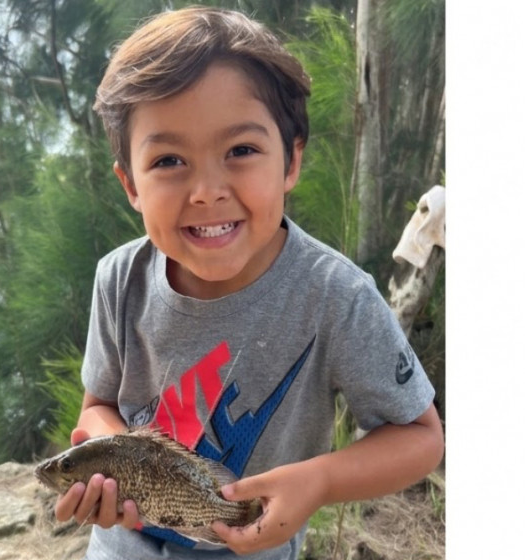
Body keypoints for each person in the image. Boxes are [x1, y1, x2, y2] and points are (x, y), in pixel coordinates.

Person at [54, 6, 444, 560]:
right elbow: (97, 405)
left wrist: (320, 481)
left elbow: (421, 439)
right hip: (122, 545)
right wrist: (102, 461)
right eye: (169, 160)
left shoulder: (336, 297)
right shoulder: (119, 279)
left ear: (290, 161)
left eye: (241, 151)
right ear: (131, 185)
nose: (207, 191)